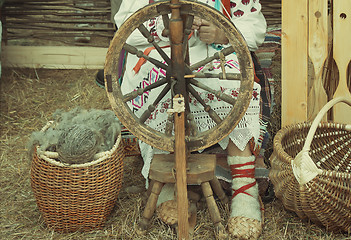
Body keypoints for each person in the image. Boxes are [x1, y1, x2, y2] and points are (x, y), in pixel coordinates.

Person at [114, 0, 270, 239]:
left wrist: (222, 32)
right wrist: (165, 26)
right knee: (157, 87)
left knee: (234, 82)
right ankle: (168, 179)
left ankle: (244, 187)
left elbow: (255, 29)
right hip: (162, 54)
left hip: (214, 53)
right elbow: (125, 28)